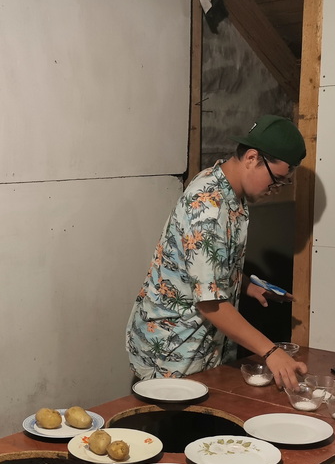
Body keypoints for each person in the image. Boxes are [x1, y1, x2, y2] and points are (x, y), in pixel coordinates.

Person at [125, 114, 309, 390]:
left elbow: (204, 268)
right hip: (173, 352)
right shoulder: (208, 207)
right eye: (276, 180)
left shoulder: (228, 188)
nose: (275, 189)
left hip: (203, 348)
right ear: (252, 158)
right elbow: (210, 303)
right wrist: (271, 352)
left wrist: (245, 285)